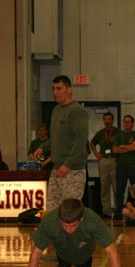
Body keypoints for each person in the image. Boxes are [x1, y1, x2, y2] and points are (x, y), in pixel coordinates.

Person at [17, 198, 129, 267]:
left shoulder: (92, 220)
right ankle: (63, 265)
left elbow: (113, 252)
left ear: (81, 218)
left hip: (84, 256)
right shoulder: (50, 221)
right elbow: (35, 254)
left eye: (73, 226)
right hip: (62, 255)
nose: (68, 230)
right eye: (64, 225)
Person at [32, 75, 88, 212]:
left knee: (69, 212)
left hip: (72, 170)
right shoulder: (56, 110)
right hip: (56, 169)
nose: (55, 92)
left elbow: (80, 142)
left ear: (69, 90)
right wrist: (42, 147)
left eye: (59, 88)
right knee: (51, 211)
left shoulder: (77, 111)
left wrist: (68, 164)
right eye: (53, 89)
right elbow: (56, 137)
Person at [90, 112, 122, 218]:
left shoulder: (118, 132)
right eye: (105, 119)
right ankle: (106, 210)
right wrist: (97, 154)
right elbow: (92, 143)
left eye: (109, 119)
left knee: (116, 186)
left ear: (113, 120)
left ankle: (118, 209)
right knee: (104, 186)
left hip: (114, 160)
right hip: (103, 160)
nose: (107, 121)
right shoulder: (100, 133)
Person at [112, 114, 135, 220]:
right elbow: (115, 150)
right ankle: (118, 212)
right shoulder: (118, 136)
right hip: (121, 167)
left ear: (132, 123)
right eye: (125, 122)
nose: (126, 123)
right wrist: (128, 147)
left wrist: (122, 146)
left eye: (129, 122)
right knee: (120, 189)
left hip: (134, 166)